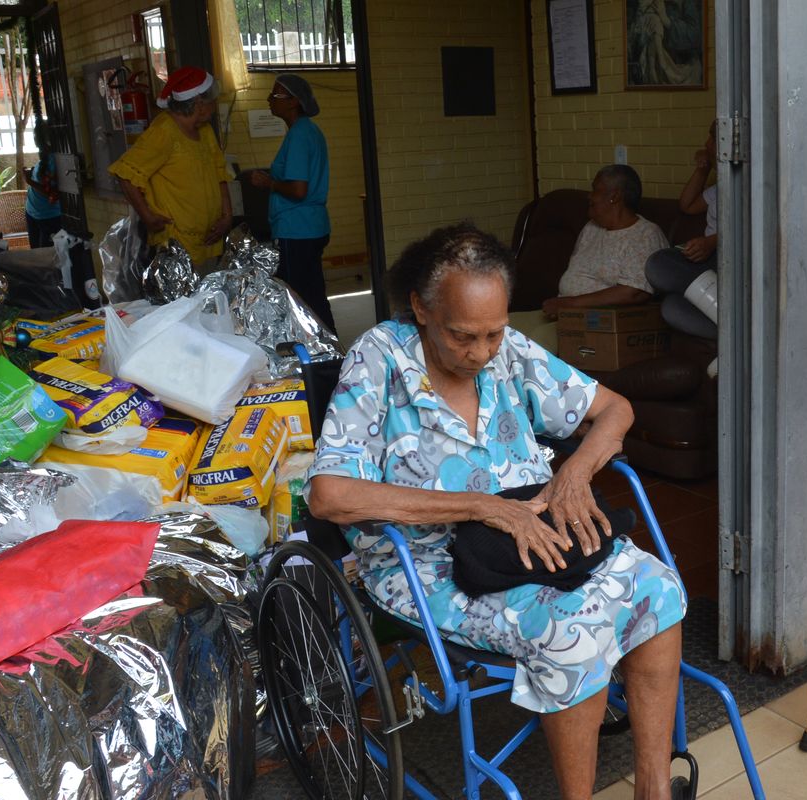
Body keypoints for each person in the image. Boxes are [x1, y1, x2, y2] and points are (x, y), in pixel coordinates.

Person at [306, 223, 687, 800]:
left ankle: (654, 789)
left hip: (532, 532)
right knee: (571, 630)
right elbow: (329, 495)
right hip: (426, 563)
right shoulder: (380, 360)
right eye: (463, 336)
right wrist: (481, 507)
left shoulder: (507, 352)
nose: (481, 354)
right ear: (420, 308)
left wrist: (573, 474)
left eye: (493, 333)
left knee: (656, 587)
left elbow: (615, 411)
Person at [109, 66, 233, 267]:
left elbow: (220, 173)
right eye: (212, 101)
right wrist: (147, 217)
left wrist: (227, 216)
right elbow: (125, 175)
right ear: (199, 104)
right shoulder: (164, 131)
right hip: (177, 245)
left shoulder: (206, 130)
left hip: (209, 241)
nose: (215, 105)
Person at [248, 74, 335, 331]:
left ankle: (325, 361)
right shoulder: (308, 131)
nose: (269, 100)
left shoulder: (299, 134)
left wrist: (268, 184)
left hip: (297, 230)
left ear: (294, 102)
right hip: (310, 227)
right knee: (311, 295)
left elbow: (298, 189)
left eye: (276, 95)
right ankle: (325, 356)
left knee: (304, 301)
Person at [541, 165, 668, 321]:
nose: (589, 196)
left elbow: (634, 293)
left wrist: (570, 303)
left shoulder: (645, 235)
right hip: (564, 314)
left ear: (614, 196)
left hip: (600, 322)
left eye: (595, 190)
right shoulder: (591, 227)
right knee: (509, 330)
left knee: (520, 341)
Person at [644, 121, 719, 340]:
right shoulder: (720, 189)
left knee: (660, 266)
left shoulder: (750, 186)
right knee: (670, 307)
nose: (707, 144)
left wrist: (712, 242)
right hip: (708, 265)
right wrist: (702, 170)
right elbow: (687, 205)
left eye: (713, 138)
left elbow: (751, 233)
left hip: (729, 261)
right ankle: (737, 337)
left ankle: (735, 335)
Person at [23, 122, 62, 249]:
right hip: (33, 214)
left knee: (47, 259)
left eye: (37, 136)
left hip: (49, 218)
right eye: (34, 135)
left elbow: (53, 194)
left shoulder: (56, 161)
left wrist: (29, 181)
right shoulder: (45, 158)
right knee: (37, 255)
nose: (35, 139)